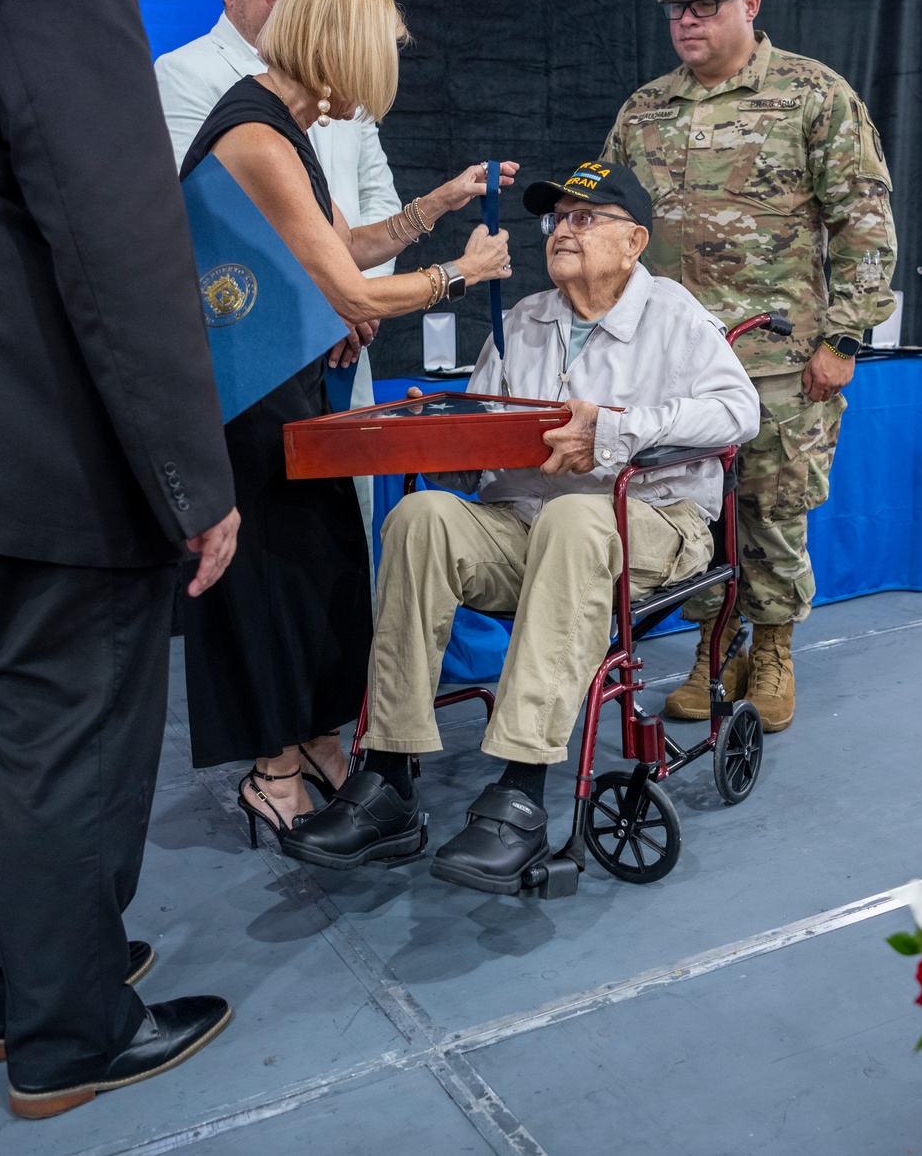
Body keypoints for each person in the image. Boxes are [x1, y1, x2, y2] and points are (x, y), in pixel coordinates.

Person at [0, 0, 241, 1120]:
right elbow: (122, 260)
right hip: (47, 467)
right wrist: (195, 481)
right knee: (68, 745)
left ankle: (12, 992)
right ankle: (72, 1033)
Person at [283, 164, 760, 895]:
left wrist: (618, 430)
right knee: (422, 516)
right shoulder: (523, 318)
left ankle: (522, 788)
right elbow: (485, 451)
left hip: (651, 524)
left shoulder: (673, 315)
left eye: (584, 218)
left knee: (575, 513)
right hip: (527, 524)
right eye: (557, 219)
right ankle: (387, 780)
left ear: (633, 241)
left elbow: (738, 414)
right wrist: (438, 438)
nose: (562, 230)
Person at [179, 0, 515, 843]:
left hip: (291, 390)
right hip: (244, 400)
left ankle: (321, 738)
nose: (389, 69)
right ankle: (273, 771)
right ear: (346, 46)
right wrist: (460, 272)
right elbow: (352, 293)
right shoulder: (252, 131)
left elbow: (347, 246)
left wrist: (436, 204)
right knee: (273, 586)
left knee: (325, 569)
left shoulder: (286, 129)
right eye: (384, 49)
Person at [601, 0, 897, 733]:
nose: (687, 22)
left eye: (705, 5)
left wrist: (844, 342)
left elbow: (865, 226)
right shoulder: (645, 110)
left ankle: (771, 649)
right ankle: (712, 646)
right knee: (690, 510)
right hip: (671, 369)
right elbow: (609, 225)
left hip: (779, 362)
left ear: (750, 3)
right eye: (676, 10)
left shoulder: (813, 95)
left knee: (770, 508)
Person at [155, 0, 402, 554]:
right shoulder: (189, 80)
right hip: (264, 344)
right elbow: (216, 227)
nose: (289, 8)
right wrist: (347, 293)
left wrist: (359, 298)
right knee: (280, 549)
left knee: (342, 534)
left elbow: (372, 196)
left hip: (346, 336)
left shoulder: (326, 84)